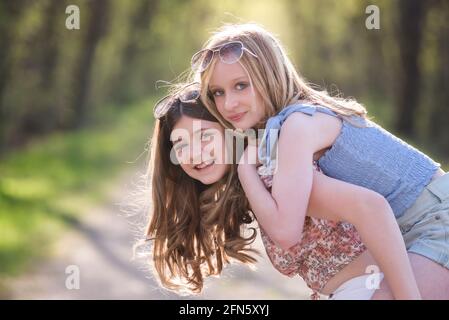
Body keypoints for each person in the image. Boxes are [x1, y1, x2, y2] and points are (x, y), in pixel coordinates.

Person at [193, 23, 449, 299]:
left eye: (241, 86)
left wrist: (244, 169)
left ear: (270, 76)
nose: (228, 103)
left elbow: (285, 230)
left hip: (438, 221)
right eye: (218, 92)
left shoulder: (297, 125)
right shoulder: (281, 130)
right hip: (411, 230)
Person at [142, 84, 406, 299]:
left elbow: (370, 207)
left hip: (371, 287)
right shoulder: (252, 177)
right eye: (180, 143)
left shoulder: (272, 168)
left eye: (205, 137)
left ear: (231, 132)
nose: (194, 153)